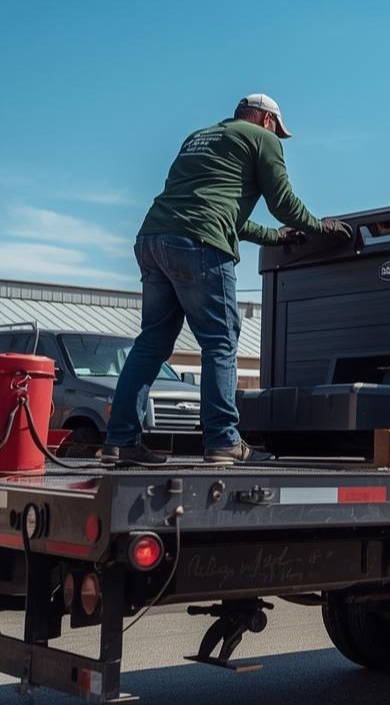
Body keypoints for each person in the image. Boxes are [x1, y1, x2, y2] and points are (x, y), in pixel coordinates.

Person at [100, 94, 353, 466]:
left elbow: (218, 211)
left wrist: (275, 237)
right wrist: (319, 228)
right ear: (267, 120)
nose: (277, 138)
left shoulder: (198, 137)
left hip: (153, 239)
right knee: (220, 342)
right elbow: (282, 203)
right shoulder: (261, 139)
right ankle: (223, 440)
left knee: (152, 342)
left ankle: (120, 440)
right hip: (199, 244)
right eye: (277, 131)